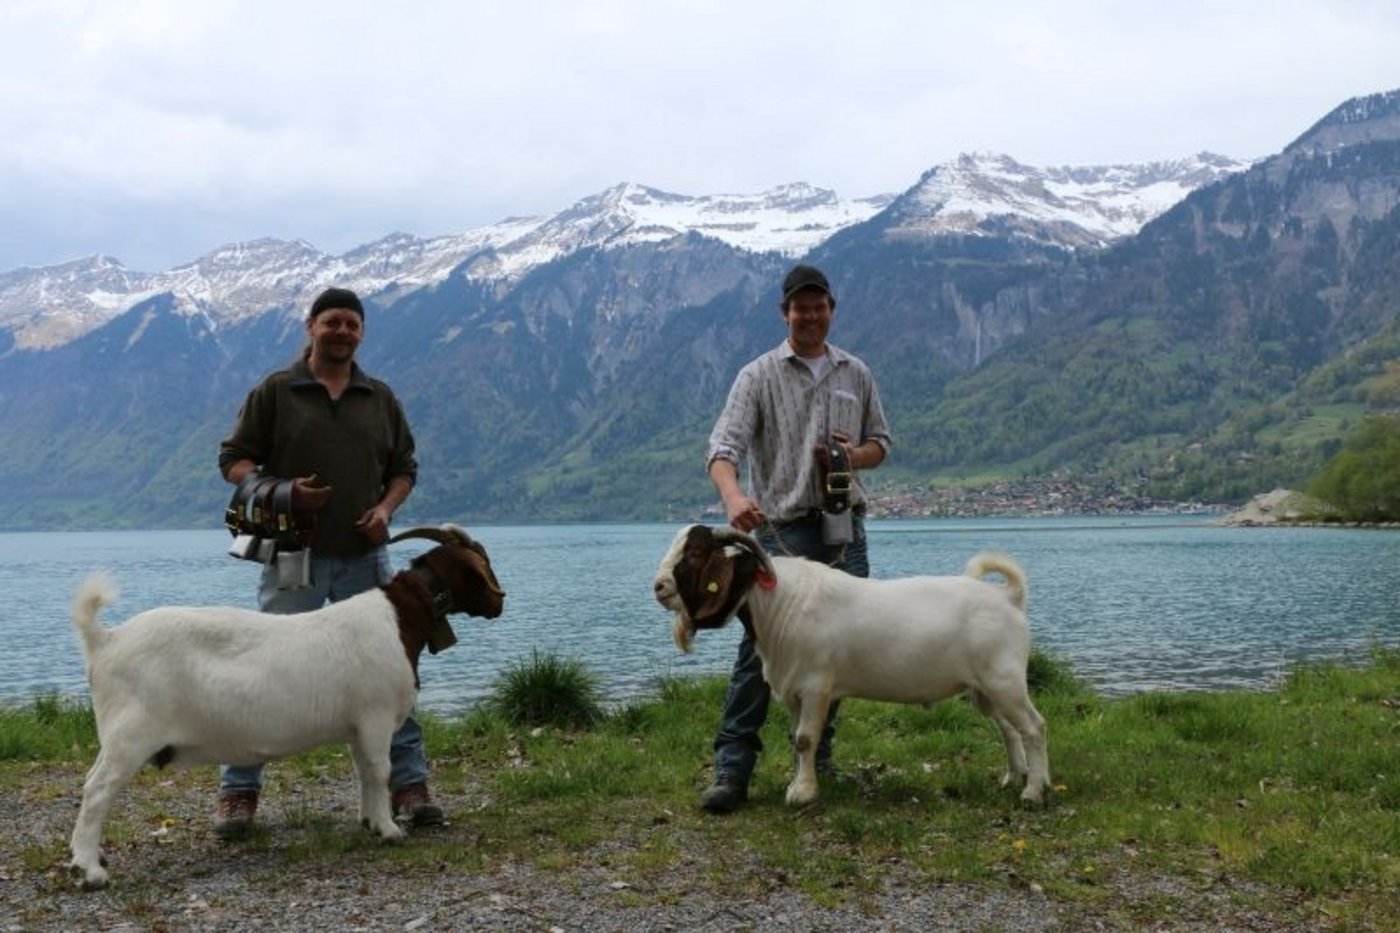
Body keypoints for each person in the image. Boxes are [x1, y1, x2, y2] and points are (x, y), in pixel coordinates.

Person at [214, 286, 441, 838]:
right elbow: (233, 462)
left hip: (367, 560)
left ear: (361, 333)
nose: (342, 332)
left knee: (394, 676)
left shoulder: (380, 398)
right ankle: (237, 793)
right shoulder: (276, 391)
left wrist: (386, 509)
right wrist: (283, 491)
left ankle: (409, 788)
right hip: (292, 554)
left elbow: (404, 469)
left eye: (352, 324)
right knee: (264, 671)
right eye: (332, 322)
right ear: (311, 325)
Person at [700, 263, 892, 813]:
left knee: (840, 649)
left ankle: (815, 762)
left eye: (819, 305)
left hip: (844, 530)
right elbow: (722, 451)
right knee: (759, 651)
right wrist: (735, 500)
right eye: (799, 307)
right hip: (783, 536)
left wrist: (851, 456)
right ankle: (732, 769)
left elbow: (881, 443)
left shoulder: (856, 372)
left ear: (831, 308)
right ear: (785, 313)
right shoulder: (756, 376)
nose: (810, 315)